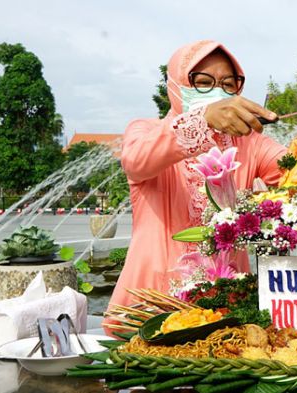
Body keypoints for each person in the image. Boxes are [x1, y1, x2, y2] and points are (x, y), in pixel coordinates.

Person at [105, 40, 285, 318]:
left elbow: (294, 169)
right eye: (203, 82)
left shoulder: (250, 144)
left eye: (228, 84)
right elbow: (136, 161)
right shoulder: (146, 130)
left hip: (228, 307)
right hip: (151, 309)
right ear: (175, 85)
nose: (218, 92)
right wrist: (203, 120)